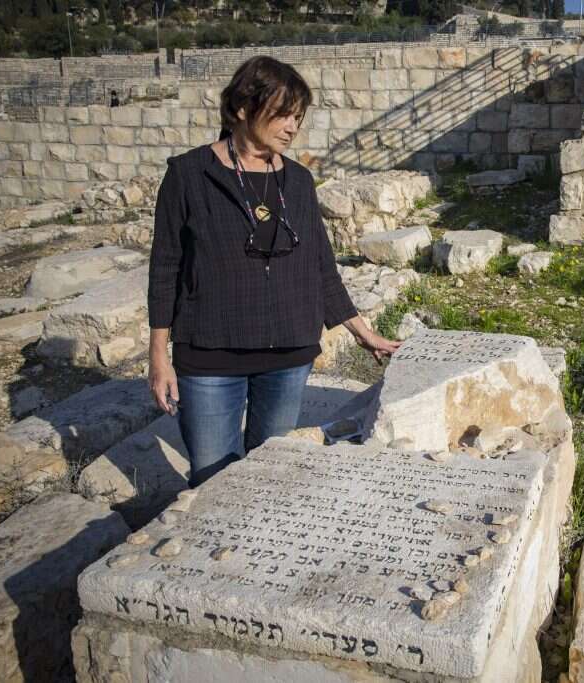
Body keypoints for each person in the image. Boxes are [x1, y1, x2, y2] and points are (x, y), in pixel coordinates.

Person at [147, 55, 399, 487]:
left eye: (297, 117)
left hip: (287, 355)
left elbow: (321, 265)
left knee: (268, 475)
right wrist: (157, 356)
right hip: (210, 355)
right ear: (244, 108)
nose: (292, 127)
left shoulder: (298, 181)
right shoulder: (189, 175)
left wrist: (363, 332)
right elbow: (165, 267)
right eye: (283, 114)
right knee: (213, 480)